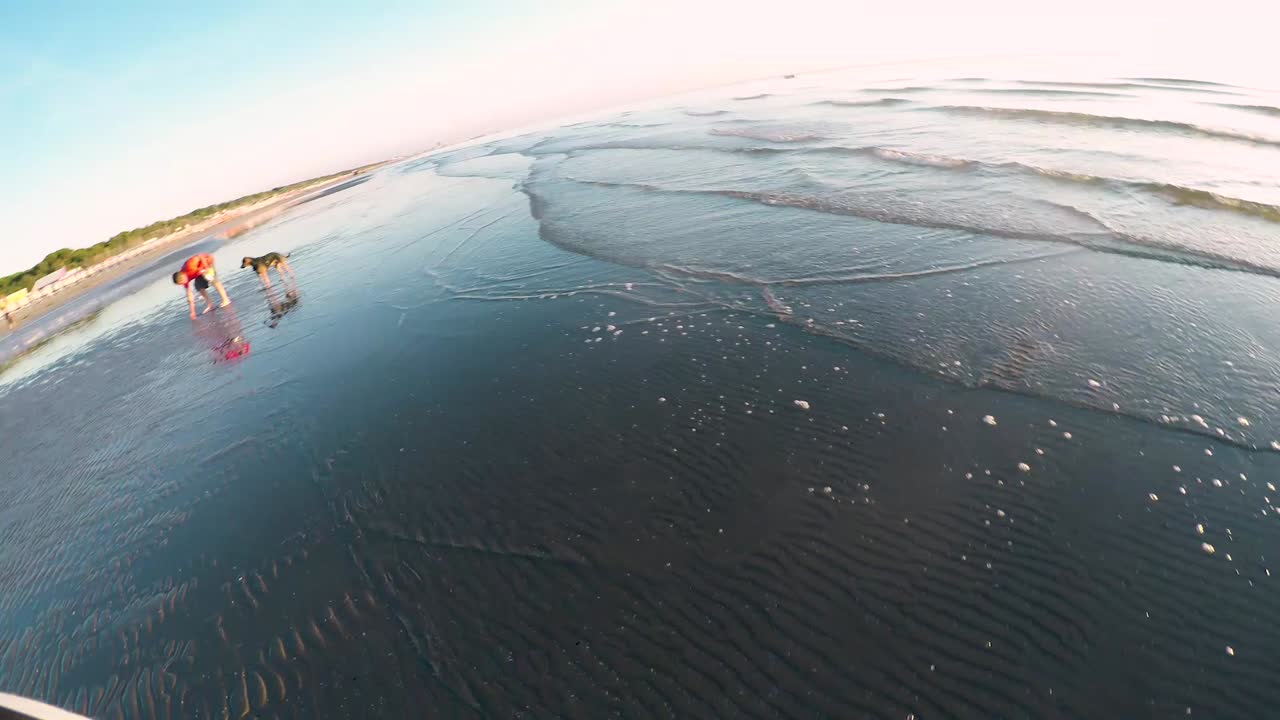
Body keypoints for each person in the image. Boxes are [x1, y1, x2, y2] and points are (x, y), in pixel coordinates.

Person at [173, 253, 231, 319]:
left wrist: (206, 268)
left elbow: (200, 256)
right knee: (198, 285)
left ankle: (226, 299)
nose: (183, 284)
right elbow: (189, 296)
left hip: (207, 261)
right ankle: (210, 305)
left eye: (182, 282)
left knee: (210, 278)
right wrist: (192, 312)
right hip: (200, 271)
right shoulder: (184, 280)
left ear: (182, 277)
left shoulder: (189, 265)